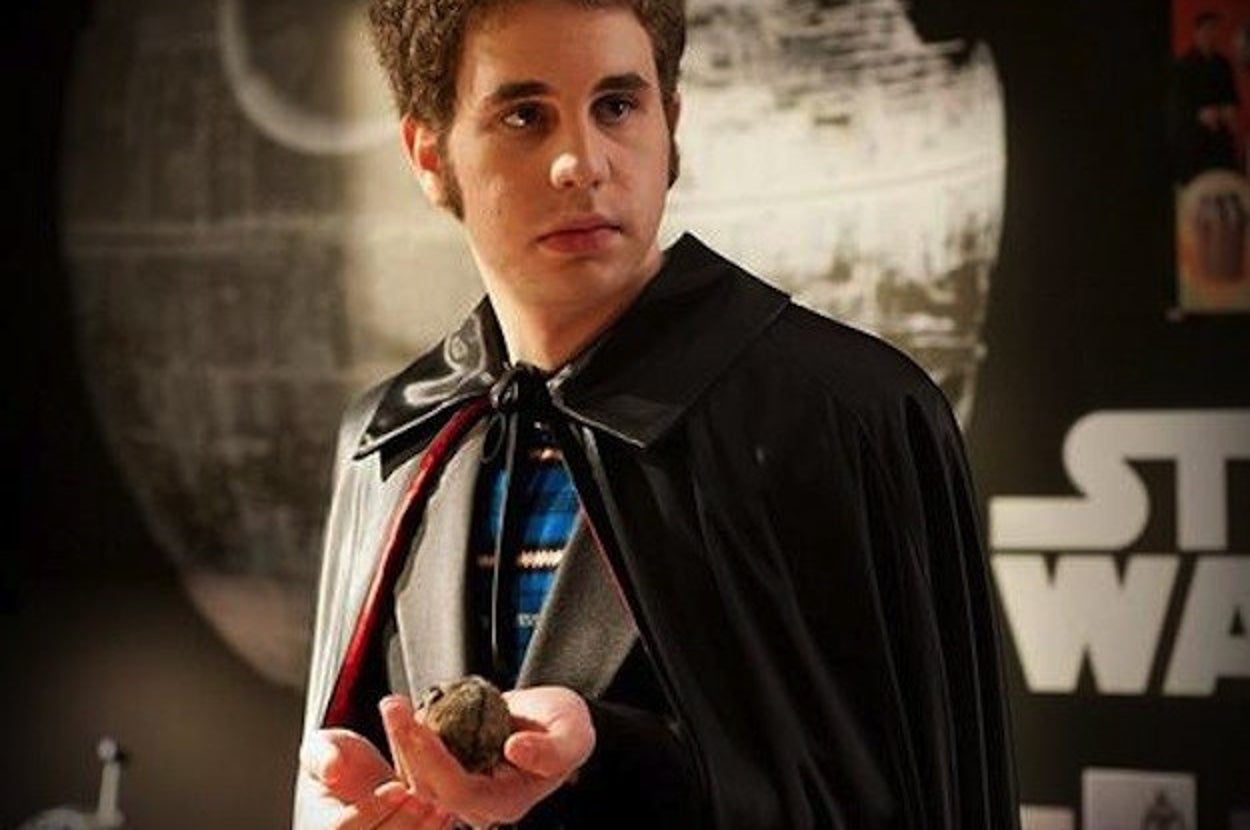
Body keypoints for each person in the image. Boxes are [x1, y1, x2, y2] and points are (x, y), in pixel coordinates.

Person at [293, 0, 1019, 827]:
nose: (581, 163)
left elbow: (909, 796)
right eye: (525, 116)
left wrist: (608, 756)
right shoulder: (392, 441)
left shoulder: (850, 418)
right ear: (430, 154)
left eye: (616, 106)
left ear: (670, 124)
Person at [1171, 11, 1242, 183]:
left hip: (1221, 136)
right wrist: (1199, 114)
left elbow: (1231, 96)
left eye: (1214, 30)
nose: (1211, 35)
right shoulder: (1183, 65)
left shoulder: (1223, 64)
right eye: (1207, 30)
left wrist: (1230, 111)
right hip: (1195, 138)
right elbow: (1178, 105)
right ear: (1197, 33)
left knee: (1226, 181)